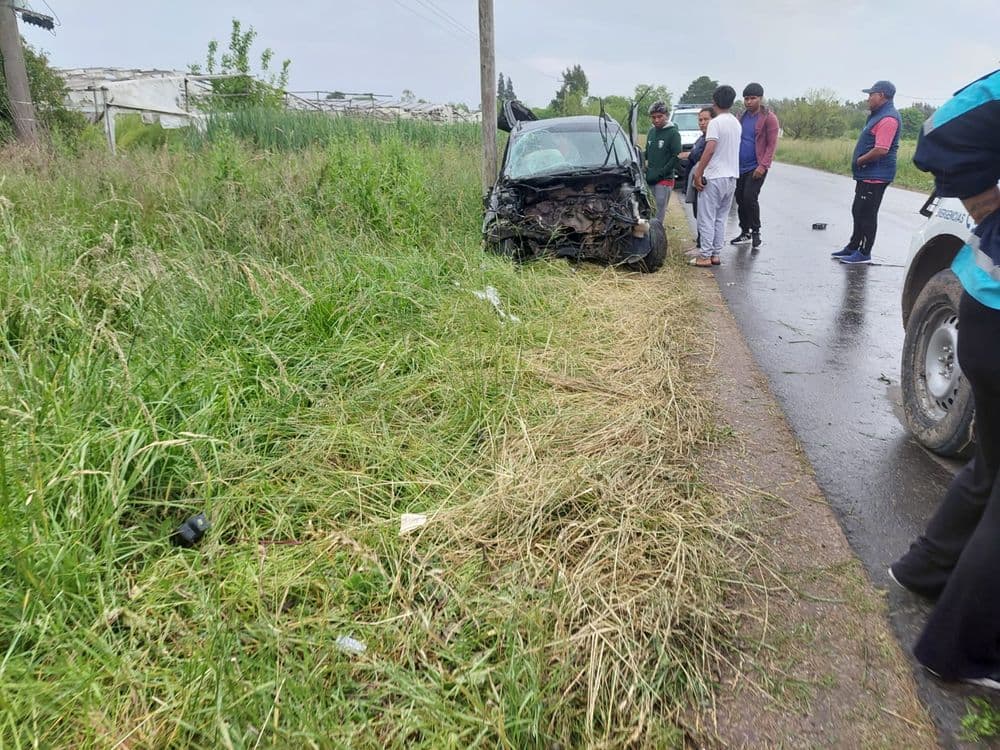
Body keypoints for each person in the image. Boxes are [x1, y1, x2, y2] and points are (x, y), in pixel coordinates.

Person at [888, 68, 1000, 689]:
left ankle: (926, 570)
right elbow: (939, 133)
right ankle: (963, 650)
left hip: (985, 305)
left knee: (991, 468)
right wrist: (983, 201)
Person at [831, 80, 902, 264]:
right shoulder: (877, 116)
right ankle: (853, 246)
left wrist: (860, 160)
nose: (868, 98)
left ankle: (864, 252)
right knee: (858, 210)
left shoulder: (888, 119)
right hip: (867, 174)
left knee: (867, 214)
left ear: (882, 95)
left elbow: (881, 149)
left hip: (876, 175)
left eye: (871, 94)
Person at [690, 86, 741, 267]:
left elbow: (710, 148)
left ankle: (704, 255)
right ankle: (715, 254)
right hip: (731, 177)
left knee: (706, 218)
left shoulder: (715, 123)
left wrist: (699, 172)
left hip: (714, 176)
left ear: (714, 101)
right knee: (721, 218)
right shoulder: (736, 123)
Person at [729, 83, 780, 249]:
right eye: (746, 98)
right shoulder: (741, 117)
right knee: (740, 198)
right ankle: (745, 232)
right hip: (739, 166)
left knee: (750, 197)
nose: (749, 102)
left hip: (756, 166)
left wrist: (763, 166)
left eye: (753, 98)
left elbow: (771, 145)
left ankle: (756, 231)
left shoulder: (769, 118)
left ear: (760, 98)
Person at [645, 101, 681, 223]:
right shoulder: (651, 132)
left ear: (666, 115)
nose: (656, 120)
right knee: (650, 210)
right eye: (653, 117)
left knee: (658, 214)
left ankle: (657, 234)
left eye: (659, 116)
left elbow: (676, 157)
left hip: (664, 180)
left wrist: (661, 173)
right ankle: (650, 234)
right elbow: (648, 153)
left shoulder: (673, 133)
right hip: (650, 178)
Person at [686, 107, 715, 250]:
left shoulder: (711, 140)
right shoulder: (701, 138)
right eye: (700, 120)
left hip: (704, 181)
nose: (702, 122)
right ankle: (701, 239)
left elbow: (698, 156)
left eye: (706, 119)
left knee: (704, 214)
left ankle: (705, 244)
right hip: (695, 180)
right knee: (697, 212)